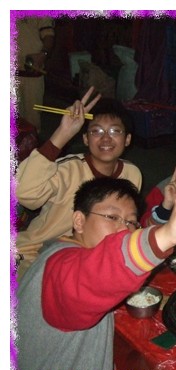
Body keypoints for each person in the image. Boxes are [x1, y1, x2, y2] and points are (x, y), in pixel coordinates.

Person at [16, 177, 176, 370]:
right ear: (79, 221)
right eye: (112, 217)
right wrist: (166, 236)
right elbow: (94, 274)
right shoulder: (60, 267)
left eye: (130, 222)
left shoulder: (60, 249)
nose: (124, 229)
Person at [15, 86, 142, 280]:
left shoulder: (132, 174)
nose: (106, 138)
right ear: (85, 138)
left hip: (87, 257)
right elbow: (25, 195)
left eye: (115, 131)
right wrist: (62, 134)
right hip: (36, 254)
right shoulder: (68, 169)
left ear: (127, 139)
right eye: (96, 131)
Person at [16, 16, 55, 133]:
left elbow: (49, 35)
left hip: (32, 76)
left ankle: (32, 143)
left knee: (32, 122)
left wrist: (43, 54)